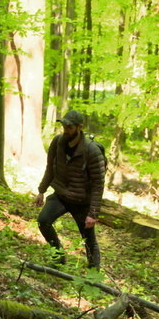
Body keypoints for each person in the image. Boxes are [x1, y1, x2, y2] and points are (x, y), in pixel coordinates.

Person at [34, 110, 106, 269]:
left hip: (82, 201)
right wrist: (42, 190)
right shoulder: (57, 142)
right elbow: (50, 168)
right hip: (60, 196)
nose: (66, 130)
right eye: (64, 126)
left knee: (88, 239)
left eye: (70, 127)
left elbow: (98, 184)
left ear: (79, 127)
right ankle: (58, 257)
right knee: (43, 221)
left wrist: (93, 213)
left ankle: (94, 274)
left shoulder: (92, 151)